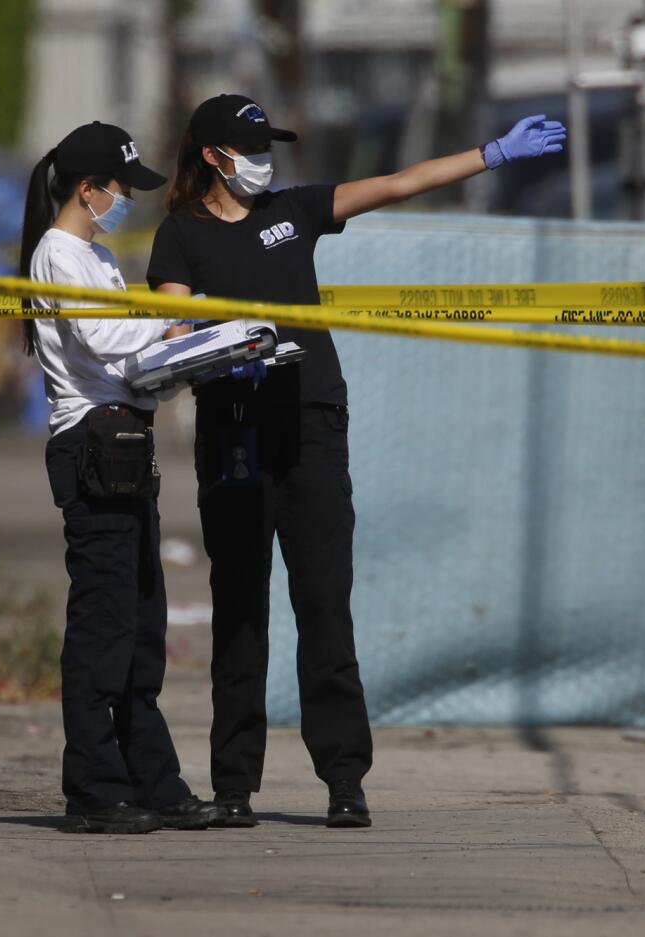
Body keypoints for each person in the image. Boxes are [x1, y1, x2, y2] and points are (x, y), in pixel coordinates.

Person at [147, 94, 566, 829]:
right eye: (249, 149)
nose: (264, 160)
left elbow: (399, 182)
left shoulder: (295, 210)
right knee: (242, 611)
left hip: (310, 427)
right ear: (212, 158)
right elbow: (171, 327)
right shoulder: (180, 236)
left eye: (267, 146)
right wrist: (223, 346)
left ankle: (344, 779)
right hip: (234, 428)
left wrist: (491, 155)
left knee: (324, 606)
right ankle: (234, 785)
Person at [19, 121, 218, 834]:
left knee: (140, 626)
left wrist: (188, 353)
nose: (123, 201)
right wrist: (170, 320)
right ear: (87, 189)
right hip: (90, 450)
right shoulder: (58, 255)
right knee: (102, 628)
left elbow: (130, 365)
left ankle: (151, 777)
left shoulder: (98, 259)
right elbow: (102, 339)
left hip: (128, 445)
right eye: (119, 189)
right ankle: (94, 786)